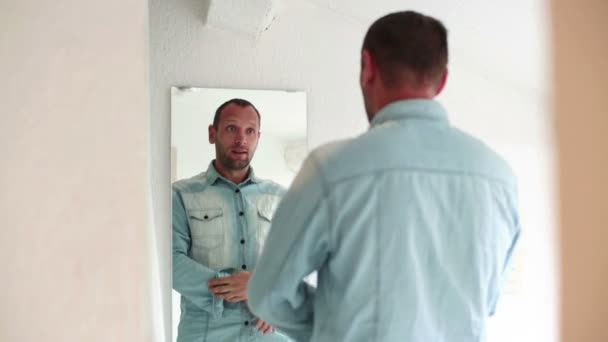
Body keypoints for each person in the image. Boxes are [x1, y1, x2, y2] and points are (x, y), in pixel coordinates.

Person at [247, 11, 521, 342]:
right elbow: (486, 301)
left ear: (367, 67)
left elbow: (267, 294)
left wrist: (335, 327)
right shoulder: (499, 178)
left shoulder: (331, 169)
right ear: (443, 80)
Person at [172, 98, 291, 342]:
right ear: (212, 133)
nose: (241, 140)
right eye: (231, 128)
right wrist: (231, 285)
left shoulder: (280, 197)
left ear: (258, 137)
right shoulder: (181, 195)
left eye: (250, 131)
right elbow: (170, 262)